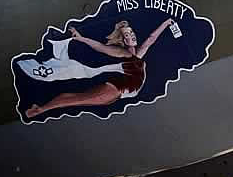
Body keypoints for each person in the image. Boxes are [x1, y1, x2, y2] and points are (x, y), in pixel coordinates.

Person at [21, 18, 174, 119]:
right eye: (127, 35)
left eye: (132, 32)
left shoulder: (138, 54)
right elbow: (99, 47)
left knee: (76, 99)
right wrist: (79, 37)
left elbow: (150, 39)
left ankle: (41, 108)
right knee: (75, 100)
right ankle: (40, 109)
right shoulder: (121, 52)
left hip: (117, 94)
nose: (132, 36)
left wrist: (166, 23)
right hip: (115, 89)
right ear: (123, 40)